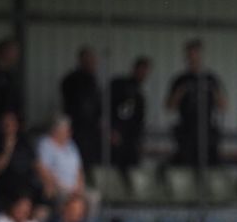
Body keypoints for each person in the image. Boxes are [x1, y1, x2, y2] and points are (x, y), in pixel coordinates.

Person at [166, 39, 225, 168]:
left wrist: (213, 91)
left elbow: (223, 106)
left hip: (206, 129)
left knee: (210, 163)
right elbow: (169, 107)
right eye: (190, 55)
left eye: (195, 54)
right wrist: (180, 92)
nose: (193, 58)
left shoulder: (210, 78)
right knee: (185, 164)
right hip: (186, 129)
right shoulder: (180, 79)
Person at [0, 112, 43, 209]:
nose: (8, 127)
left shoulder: (23, 140)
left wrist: (47, 179)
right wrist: (8, 149)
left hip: (27, 180)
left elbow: (35, 162)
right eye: (5, 124)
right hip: (7, 183)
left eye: (11, 123)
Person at [61, 47, 103, 179]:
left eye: (93, 61)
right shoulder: (72, 80)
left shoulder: (93, 80)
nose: (92, 64)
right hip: (78, 128)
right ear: (81, 61)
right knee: (78, 159)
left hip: (92, 130)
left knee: (92, 161)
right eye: (89, 60)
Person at [109, 57, 151, 188]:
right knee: (116, 168)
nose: (143, 75)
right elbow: (108, 109)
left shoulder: (139, 93)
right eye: (141, 70)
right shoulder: (119, 85)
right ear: (135, 69)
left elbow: (139, 120)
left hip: (132, 139)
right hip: (117, 136)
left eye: (146, 72)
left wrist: (139, 140)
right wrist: (112, 130)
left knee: (132, 169)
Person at [36, 115, 86, 204]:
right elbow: (42, 169)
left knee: (93, 197)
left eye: (69, 130)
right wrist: (62, 186)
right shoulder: (45, 144)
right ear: (56, 130)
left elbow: (79, 169)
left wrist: (80, 187)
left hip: (74, 189)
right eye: (66, 130)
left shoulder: (71, 145)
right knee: (69, 200)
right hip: (57, 187)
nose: (69, 133)